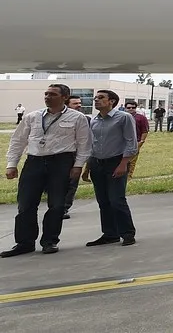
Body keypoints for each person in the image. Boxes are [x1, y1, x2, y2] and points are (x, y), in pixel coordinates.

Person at [2, 84, 92, 257]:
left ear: (65, 97)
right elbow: (18, 140)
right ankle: (24, 242)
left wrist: (78, 165)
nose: (47, 97)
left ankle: (50, 241)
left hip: (61, 162)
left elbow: (84, 143)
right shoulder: (33, 117)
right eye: (46, 94)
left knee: (57, 205)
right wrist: (11, 164)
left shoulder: (77, 118)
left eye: (52, 94)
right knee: (25, 204)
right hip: (34, 162)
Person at [85, 89, 138, 246]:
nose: (96, 100)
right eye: (95, 97)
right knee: (103, 201)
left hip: (116, 162)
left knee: (116, 200)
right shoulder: (94, 120)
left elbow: (131, 142)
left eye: (101, 97)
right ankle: (110, 234)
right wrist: (87, 167)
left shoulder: (124, 117)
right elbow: (92, 144)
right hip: (97, 163)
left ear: (112, 101)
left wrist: (123, 164)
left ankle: (127, 233)